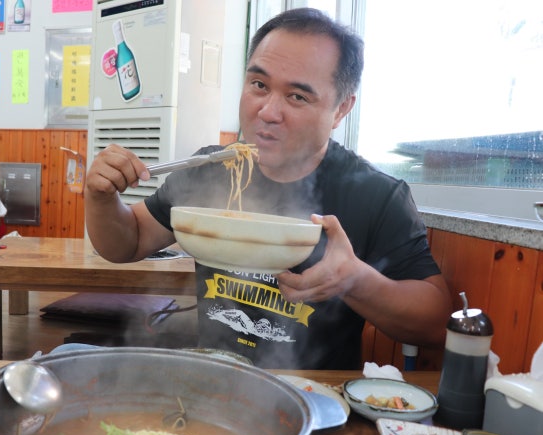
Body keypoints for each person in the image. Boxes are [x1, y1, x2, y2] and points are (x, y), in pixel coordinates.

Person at [84, 9, 452, 369]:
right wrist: (102, 198)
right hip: (214, 381)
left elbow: (437, 324)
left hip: (315, 396)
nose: (268, 112)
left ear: (341, 109)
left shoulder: (375, 195)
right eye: (259, 85)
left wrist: (355, 279)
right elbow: (127, 243)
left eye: (297, 97)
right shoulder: (210, 169)